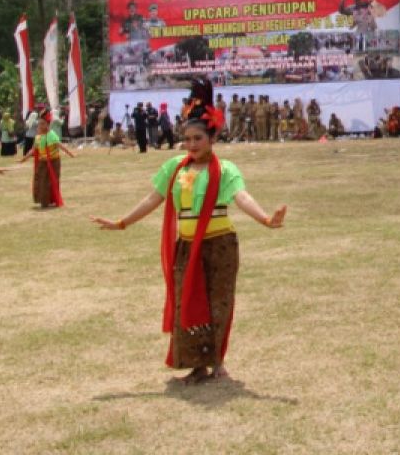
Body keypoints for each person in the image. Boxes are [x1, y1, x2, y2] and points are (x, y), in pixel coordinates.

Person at [90, 78, 287, 384]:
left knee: (219, 301)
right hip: (186, 245)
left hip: (220, 245)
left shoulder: (226, 171)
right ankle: (197, 364)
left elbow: (242, 197)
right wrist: (122, 222)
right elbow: (152, 199)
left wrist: (265, 219)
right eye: (188, 139)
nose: (192, 145)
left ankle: (218, 360)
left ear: (212, 139)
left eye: (198, 139)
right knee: (188, 302)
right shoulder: (174, 169)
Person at [18, 109, 76, 208]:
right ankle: (43, 200)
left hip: (53, 162)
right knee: (41, 181)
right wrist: (24, 159)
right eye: (39, 124)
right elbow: (32, 150)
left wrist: (71, 154)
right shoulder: (38, 137)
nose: (40, 126)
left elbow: (60, 146)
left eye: (42, 124)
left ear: (47, 125)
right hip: (42, 162)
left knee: (51, 181)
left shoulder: (51, 135)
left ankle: (50, 200)